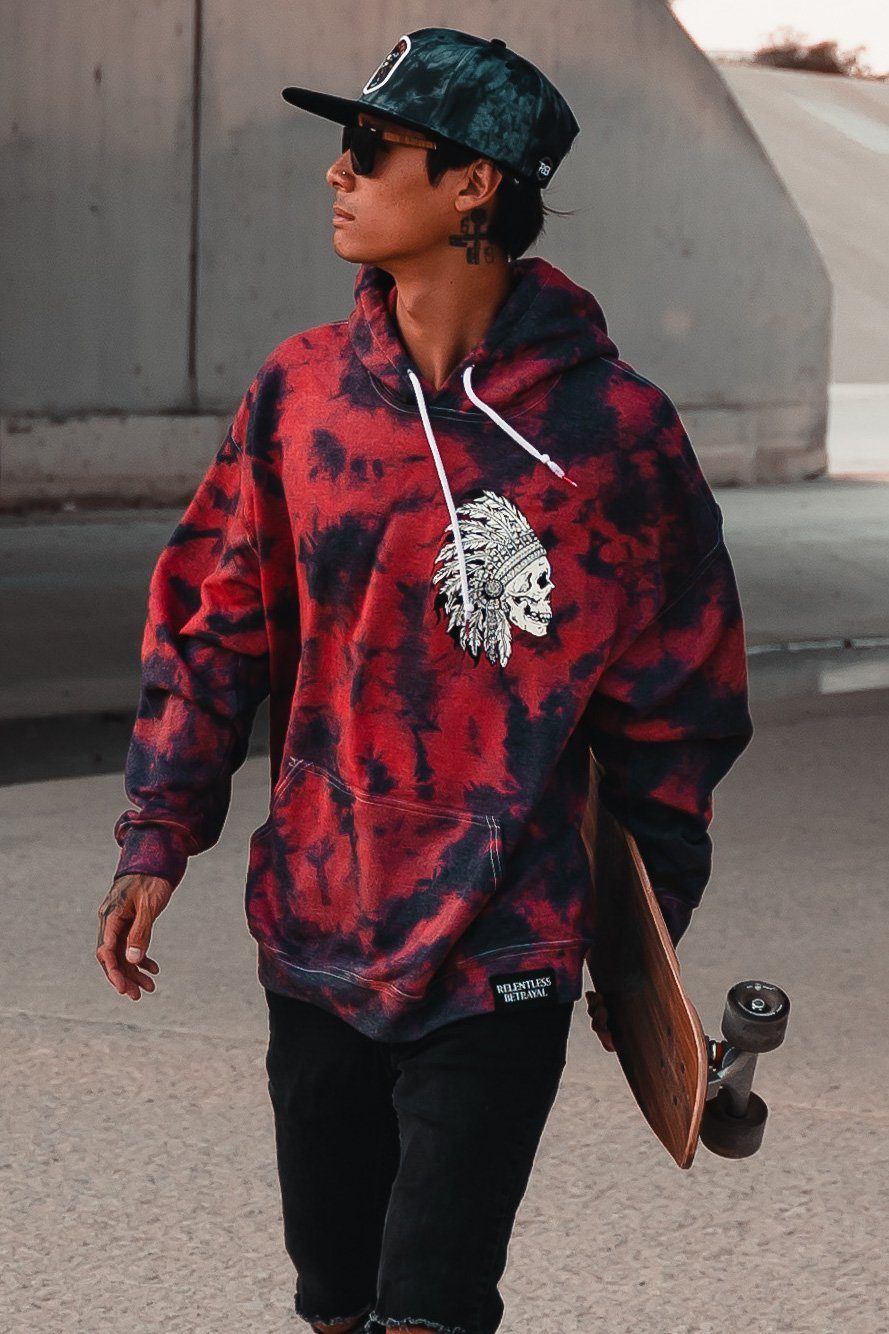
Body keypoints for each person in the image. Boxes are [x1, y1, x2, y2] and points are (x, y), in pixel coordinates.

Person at [95, 27, 754, 1334]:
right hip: (318, 921)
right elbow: (213, 626)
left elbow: (679, 700)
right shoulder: (300, 397)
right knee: (335, 1300)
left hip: (505, 939)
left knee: (433, 1306)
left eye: (369, 147)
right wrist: (158, 830)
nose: (335, 173)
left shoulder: (613, 434)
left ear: (473, 185)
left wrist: (644, 937)